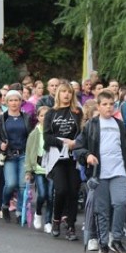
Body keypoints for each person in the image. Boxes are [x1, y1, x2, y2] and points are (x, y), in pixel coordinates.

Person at [74, 90, 126, 253]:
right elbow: (78, 148)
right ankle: (103, 243)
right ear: (98, 106)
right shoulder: (91, 125)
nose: (109, 107)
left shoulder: (120, 125)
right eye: (105, 104)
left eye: (111, 104)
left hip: (118, 171)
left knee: (121, 202)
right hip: (99, 173)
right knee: (102, 210)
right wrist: (87, 156)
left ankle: (116, 239)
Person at [43, 82, 83, 240]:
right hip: (56, 157)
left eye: (69, 92)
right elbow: (46, 136)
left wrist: (75, 143)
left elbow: (83, 133)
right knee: (61, 190)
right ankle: (56, 219)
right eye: (63, 92)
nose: (66, 95)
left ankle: (71, 225)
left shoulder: (77, 112)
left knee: (73, 190)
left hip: (73, 157)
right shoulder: (51, 113)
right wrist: (63, 142)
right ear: (58, 94)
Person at [0, 90, 33, 222]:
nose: (14, 103)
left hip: (23, 154)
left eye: (17, 100)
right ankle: (5, 205)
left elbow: (31, 136)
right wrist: (0, 144)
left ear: (21, 102)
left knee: (22, 185)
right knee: (10, 184)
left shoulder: (26, 117)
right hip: (8, 155)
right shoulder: (1, 118)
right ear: (7, 102)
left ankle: (20, 212)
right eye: (11, 100)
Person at [24, 105, 54, 232]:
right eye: (42, 115)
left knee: (51, 196)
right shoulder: (34, 133)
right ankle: (38, 213)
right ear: (37, 117)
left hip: (52, 168)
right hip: (39, 169)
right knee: (42, 194)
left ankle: (48, 221)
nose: (44, 118)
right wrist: (28, 170)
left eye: (47, 115)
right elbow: (29, 151)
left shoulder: (54, 132)